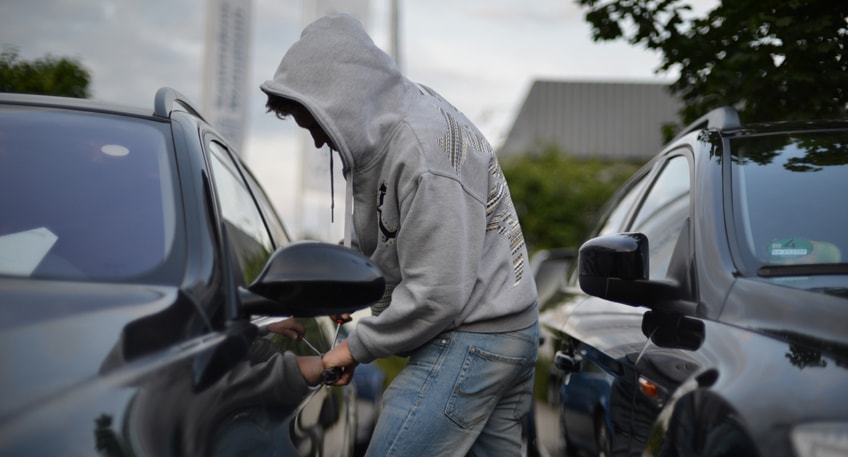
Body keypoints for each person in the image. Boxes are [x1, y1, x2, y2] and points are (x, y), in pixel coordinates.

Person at [261, 13, 539, 456]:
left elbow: (439, 292)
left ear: (341, 99)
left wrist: (352, 350)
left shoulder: (423, 151)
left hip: (476, 336)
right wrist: (326, 296)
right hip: (503, 329)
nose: (317, 141)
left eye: (314, 124)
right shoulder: (388, 133)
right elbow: (389, 240)